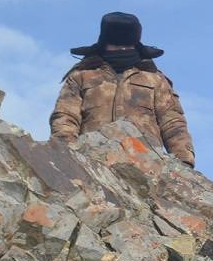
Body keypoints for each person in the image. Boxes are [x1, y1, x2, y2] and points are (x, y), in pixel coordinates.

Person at [50, 13, 195, 163]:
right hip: (93, 163)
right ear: (105, 43)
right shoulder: (81, 76)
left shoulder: (155, 80)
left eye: (127, 45)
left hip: (146, 166)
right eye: (117, 45)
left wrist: (184, 162)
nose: (123, 49)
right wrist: (66, 154)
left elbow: (173, 124)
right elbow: (65, 117)